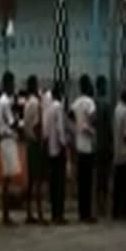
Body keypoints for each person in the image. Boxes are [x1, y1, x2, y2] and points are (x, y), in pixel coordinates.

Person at [72, 74, 97, 223]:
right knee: (88, 183)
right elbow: (94, 117)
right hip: (88, 146)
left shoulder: (76, 102)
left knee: (81, 183)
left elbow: (70, 116)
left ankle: (82, 213)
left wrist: (78, 126)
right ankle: (87, 214)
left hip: (78, 145)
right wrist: (89, 127)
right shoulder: (89, 102)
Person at [22, 75, 47, 225]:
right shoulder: (36, 103)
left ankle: (29, 213)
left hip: (29, 143)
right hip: (36, 143)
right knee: (38, 180)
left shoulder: (27, 103)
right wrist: (41, 142)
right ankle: (40, 213)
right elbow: (37, 126)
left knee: (31, 180)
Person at [0, 71, 21, 226]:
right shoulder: (5, 102)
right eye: (12, 83)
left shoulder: (3, 101)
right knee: (6, 179)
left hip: (7, 140)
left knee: (8, 178)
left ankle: (6, 214)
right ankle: (5, 215)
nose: (14, 86)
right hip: (7, 141)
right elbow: (12, 123)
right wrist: (18, 121)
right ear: (7, 84)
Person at [44, 81, 68, 224]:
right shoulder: (58, 107)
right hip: (58, 150)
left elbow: (47, 131)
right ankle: (59, 214)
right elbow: (60, 129)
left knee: (53, 184)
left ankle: (54, 214)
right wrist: (64, 146)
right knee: (59, 184)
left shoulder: (48, 108)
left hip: (50, 150)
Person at [112, 87, 126, 220]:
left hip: (117, 150)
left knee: (118, 184)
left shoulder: (117, 109)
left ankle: (116, 211)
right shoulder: (125, 111)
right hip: (125, 152)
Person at [93, 75, 113, 218]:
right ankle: (104, 206)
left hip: (95, 145)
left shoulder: (93, 103)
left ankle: (97, 205)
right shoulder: (106, 104)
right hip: (105, 145)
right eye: (105, 85)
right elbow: (110, 127)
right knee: (104, 177)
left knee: (97, 177)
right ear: (101, 86)